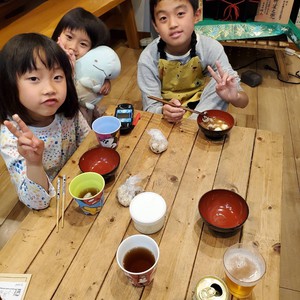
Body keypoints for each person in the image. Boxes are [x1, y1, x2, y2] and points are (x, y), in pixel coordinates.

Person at [0, 33, 90, 210]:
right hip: (49, 204)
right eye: (34, 79)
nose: (50, 89)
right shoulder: (12, 138)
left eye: (57, 77)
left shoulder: (66, 111)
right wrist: (34, 163)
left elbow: (88, 142)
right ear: (9, 84)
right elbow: (37, 203)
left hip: (80, 182)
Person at [138, 0, 249, 123]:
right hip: (166, 114)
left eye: (180, 14)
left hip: (200, 109)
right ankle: (193, 126)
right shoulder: (148, 58)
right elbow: (150, 107)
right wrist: (163, 111)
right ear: (155, 25)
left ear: (196, 15)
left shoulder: (210, 47)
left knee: (222, 84)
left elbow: (243, 101)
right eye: (163, 18)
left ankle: (193, 124)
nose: (173, 24)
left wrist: (234, 97)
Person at [52, 7, 112, 125]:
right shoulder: (49, 61)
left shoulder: (86, 62)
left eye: (83, 44)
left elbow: (97, 71)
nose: (73, 47)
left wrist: (104, 80)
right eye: (69, 37)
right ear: (58, 34)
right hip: (64, 119)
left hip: (85, 114)